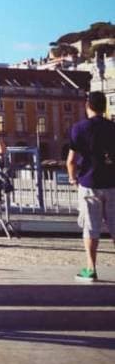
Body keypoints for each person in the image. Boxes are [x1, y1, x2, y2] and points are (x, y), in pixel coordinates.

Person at [67, 91, 115, 282]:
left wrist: (72, 178)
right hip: (112, 183)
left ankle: (91, 269)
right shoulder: (113, 128)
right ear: (104, 107)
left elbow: (71, 160)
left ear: (88, 106)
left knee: (90, 227)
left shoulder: (79, 128)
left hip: (89, 184)